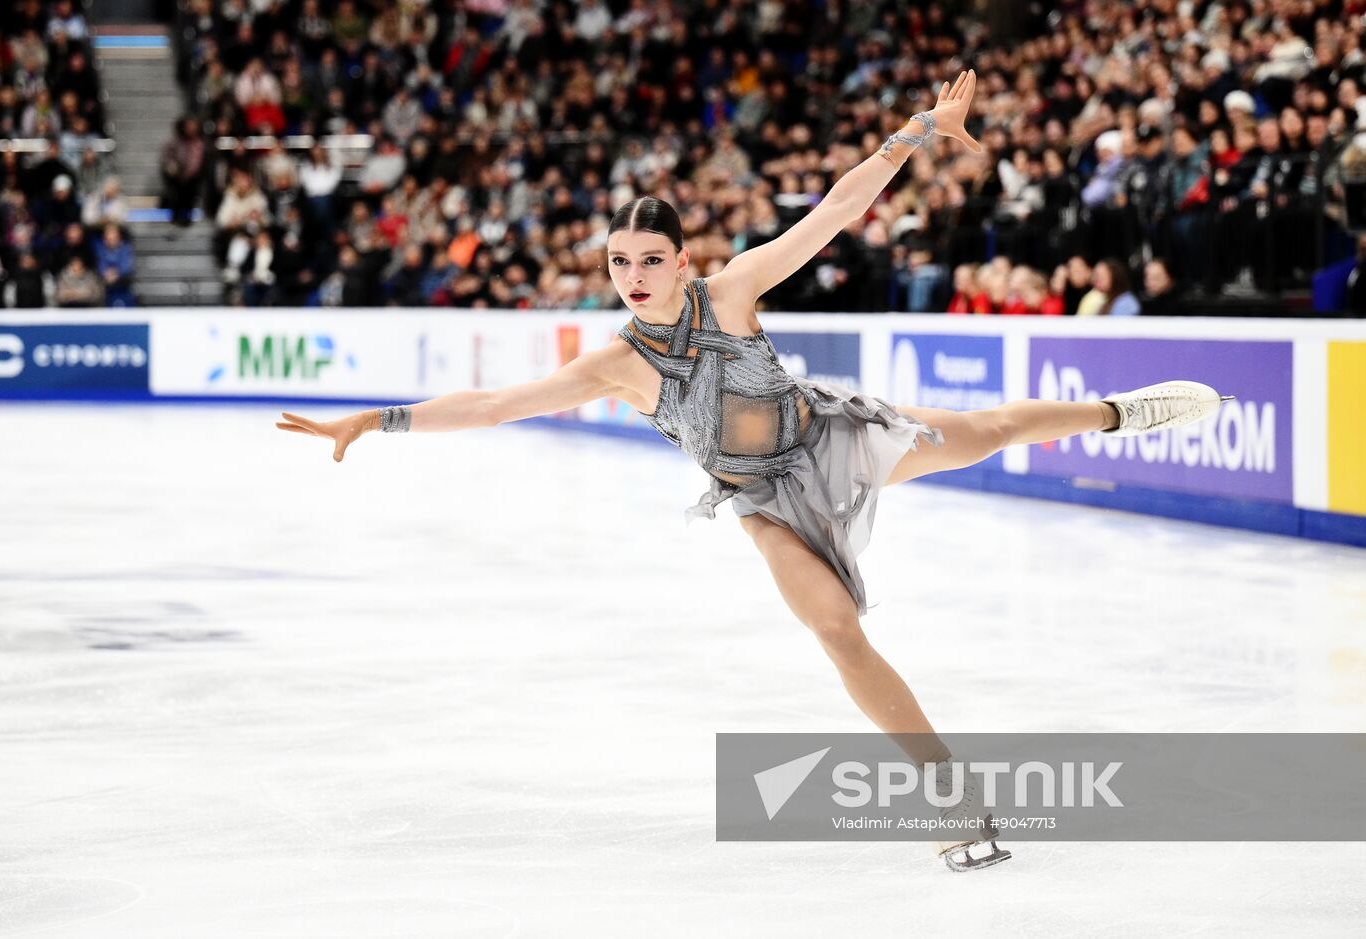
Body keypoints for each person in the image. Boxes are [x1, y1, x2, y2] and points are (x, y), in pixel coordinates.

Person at [276, 72, 1229, 873]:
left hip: (828, 438)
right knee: (835, 628)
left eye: (651, 257)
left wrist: (914, 134)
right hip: (762, 499)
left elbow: (834, 212)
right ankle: (954, 797)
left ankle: (1121, 411)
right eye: (619, 261)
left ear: (683, 258)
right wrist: (375, 417)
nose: (635, 275)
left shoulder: (731, 289)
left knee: (984, 428)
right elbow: (492, 406)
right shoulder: (611, 363)